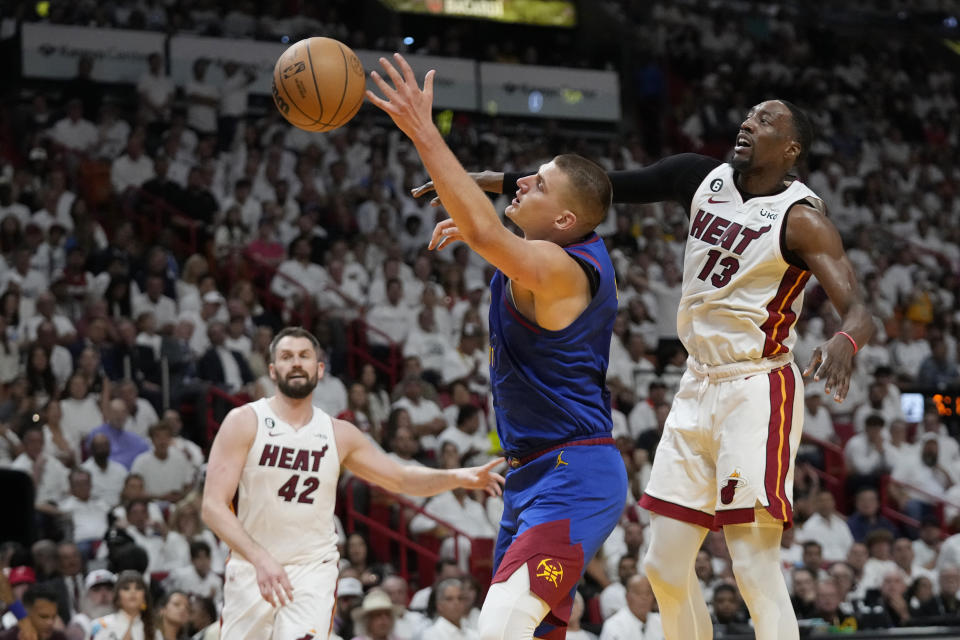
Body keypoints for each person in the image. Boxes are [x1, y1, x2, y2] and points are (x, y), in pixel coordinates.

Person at [415, 97, 874, 640]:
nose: (748, 122)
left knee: (752, 565)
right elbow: (598, 187)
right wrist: (488, 181)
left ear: (791, 148)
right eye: (748, 114)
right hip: (696, 382)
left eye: (766, 120)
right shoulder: (700, 177)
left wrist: (845, 340)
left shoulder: (803, 220)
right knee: (662, 567)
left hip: (757, 384)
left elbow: (860, 308)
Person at [369, 54, 627, 640]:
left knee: (501, 626)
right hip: (528, 478)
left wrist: (422, 129)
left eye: (537, 183)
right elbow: (491, 232)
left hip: (574, 474)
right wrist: (478, 209)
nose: (521, 182)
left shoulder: (562, 269)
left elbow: (487, 232)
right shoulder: (547, 250)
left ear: (564, 216)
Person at [201, 327, 503, 640]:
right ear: (272, 370)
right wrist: (260, 557)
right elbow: (212, 506)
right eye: (286, 357)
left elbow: (399, 478)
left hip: (312, 568)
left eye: (304, 356)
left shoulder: (339, 433)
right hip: (253, 565)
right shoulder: (244, 420)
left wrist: (457, 477)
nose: (295, 363)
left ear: (319, 369)